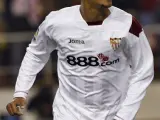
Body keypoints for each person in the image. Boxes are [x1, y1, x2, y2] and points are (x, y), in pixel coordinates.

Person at [6, 0, 154, 120]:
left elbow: (144, 70)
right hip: (68, 113)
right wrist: (20, 92)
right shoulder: (56, 21)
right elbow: (35, 53)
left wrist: (124, 116)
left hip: (113, 114)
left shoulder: (128, 24)